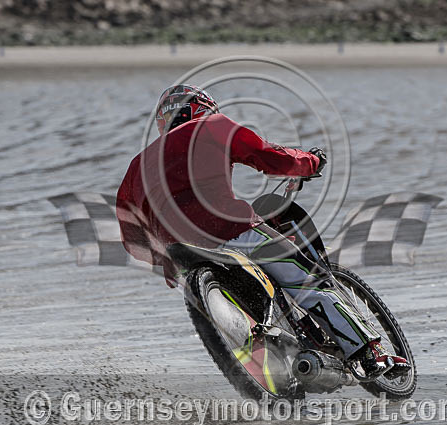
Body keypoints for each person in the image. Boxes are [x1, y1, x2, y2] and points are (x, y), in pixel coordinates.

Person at [116, 84, 410, 379]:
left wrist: (165, 263)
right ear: (201, 107)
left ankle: (274, 366)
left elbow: (132, 239)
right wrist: (310, 162)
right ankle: (368, 353)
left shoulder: (135, 167)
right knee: (307, 281)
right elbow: (267, 155)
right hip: (233, 231)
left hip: (182, 259)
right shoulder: (211, 126)